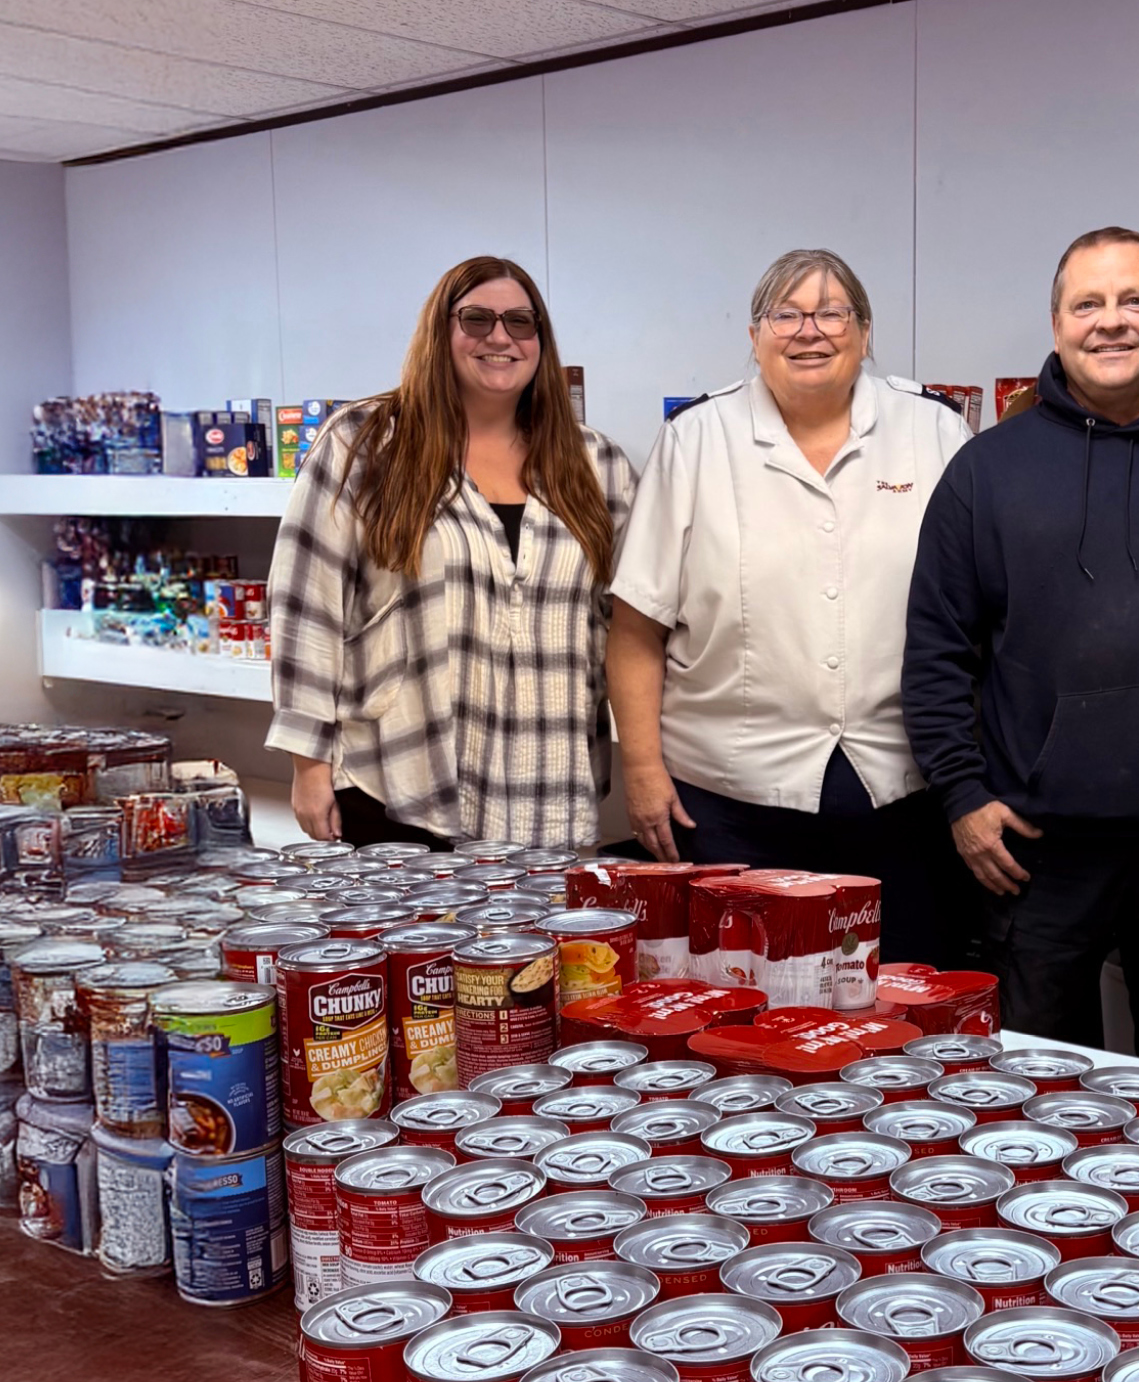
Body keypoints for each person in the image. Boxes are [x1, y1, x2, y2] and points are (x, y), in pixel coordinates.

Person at [903, 227, 1139, 1073]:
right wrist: (962, 797)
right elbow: (935, 649)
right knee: (1037, 1091)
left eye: (1134, 301)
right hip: (1035, 855)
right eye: (1088, 304)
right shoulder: (987, 470)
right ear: (1056, 323)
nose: (1111, 321)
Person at [608, 249, 972, 964]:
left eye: (832, 313)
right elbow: (636, 627)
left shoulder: (934, 433)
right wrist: (643, 774)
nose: (810, 331)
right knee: (740, 997)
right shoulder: (696, 440)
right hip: (727, 804)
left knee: (895, 994)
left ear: (865, 332)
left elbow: (985, 614)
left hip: (903, 796)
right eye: (787, 315)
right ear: (755, 335)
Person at [268, 255, 635, 850]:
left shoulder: (598, 464)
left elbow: (629, 624)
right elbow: (305, 607)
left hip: (548, 784)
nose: (500, 338)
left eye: (520, 322)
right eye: (477, 319)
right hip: (398, 775)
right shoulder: (365, 442)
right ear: (440, 331)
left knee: (537, 919)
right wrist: (308, 766)